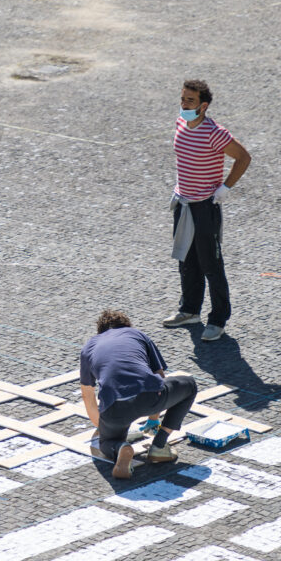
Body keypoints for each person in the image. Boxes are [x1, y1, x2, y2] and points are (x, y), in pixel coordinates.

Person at [162, 80, 251, 342]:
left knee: (211, 264)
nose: (183, 104)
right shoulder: (181, 123)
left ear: (203, 106)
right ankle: (189, 310)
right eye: (182, 99)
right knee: (186, 261)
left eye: (189, 100)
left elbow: (243, 157)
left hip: (204, 206)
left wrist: (226, 187)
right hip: (184, 203)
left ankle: (218, 319)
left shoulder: (215, 132)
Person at [79, 310, 198, 479]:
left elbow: (87, 395)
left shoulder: (89, 347)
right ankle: (159, 445)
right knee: (190, 386)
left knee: (106, 443)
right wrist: (153, 419)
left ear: (100, 331)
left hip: (114, 406)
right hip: (149, 395)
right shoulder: (136, 334)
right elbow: (160, 377)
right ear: (127, 325)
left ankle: (120, 448)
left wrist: (104, 427)